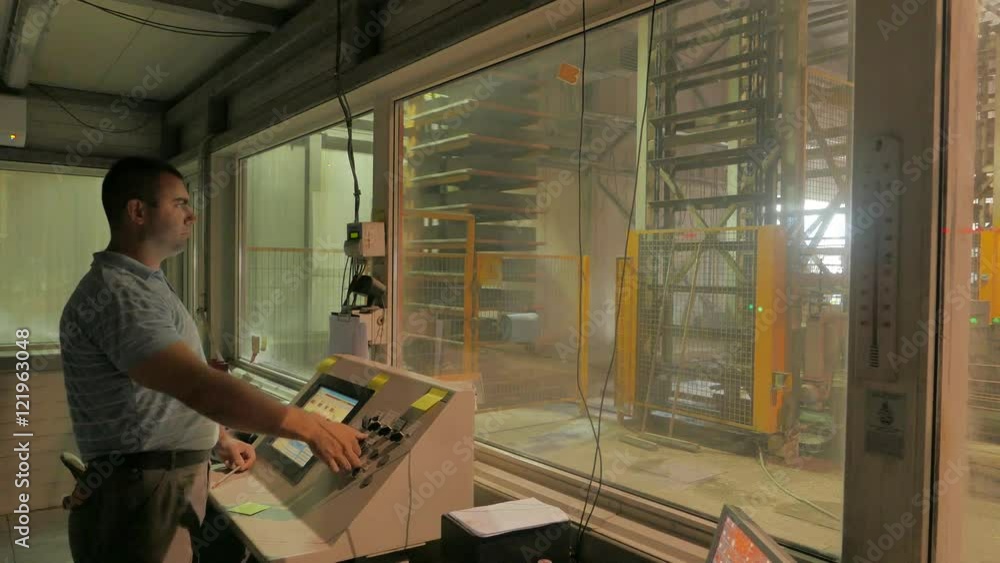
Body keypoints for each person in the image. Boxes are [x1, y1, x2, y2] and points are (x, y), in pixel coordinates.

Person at [58, 156, 367, 563]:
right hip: (141, 490)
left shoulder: (147, 285)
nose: (193, 216)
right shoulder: (120, 294)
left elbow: (162, 393)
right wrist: (311, 428)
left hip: (156, 481)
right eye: (180, 204)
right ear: (137, 211)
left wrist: (218, 439)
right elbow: (197, 385)